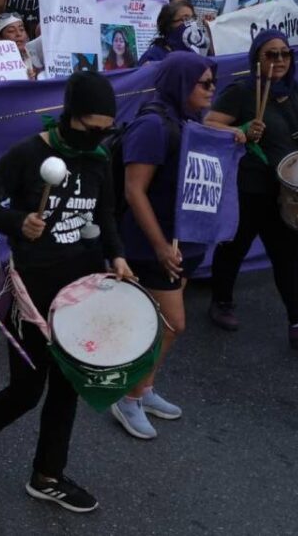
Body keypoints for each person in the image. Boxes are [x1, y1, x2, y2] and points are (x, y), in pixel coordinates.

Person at [0, 72, 131, 513]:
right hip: (32, 287)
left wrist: (118, 256)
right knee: (29, 389)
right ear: (70, 117)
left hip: (82, 283)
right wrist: (18, 222)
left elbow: (105, 212)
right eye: (91, 127)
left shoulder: (99, 158)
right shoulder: (29, 154)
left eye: (106, 128)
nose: (98, 136)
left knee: (69, 384)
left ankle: (47, 474)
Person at [110, 53, 226, 440]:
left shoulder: (187, 121)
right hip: (152, 243)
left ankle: (144, 388)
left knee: (160, 324)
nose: (212, 89)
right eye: (204, 83)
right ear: (180, 83)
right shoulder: (153, 125)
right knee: (172, 323)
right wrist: (159, 245)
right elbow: (134, 190)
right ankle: (126, 398)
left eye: (212, 83)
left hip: (184, 240)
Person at [203, 30, 298, 345]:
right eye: (271, 54)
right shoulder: (242, 92)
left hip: (286, 187)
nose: (280, 60)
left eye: (285, 54)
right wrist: (240, 129)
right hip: (250, 185)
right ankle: (221, 302)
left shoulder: (291, 89)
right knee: (235, 246)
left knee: (288, 251)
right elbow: (209, 123)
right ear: (257, 59)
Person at [139, 0, 196, 64]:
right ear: (169, 23)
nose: (191, 24)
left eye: (192, 19)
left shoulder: (193, 55)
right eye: (185, 19)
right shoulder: (152, 56)